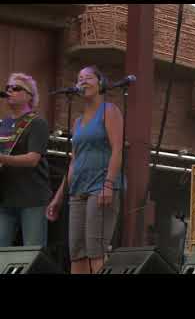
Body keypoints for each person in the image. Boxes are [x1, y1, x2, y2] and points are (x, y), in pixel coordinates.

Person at [46, 65, 124, 274]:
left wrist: (108, 183)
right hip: (77, 190)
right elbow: (74, 161)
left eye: (89, 77)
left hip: (100, 187)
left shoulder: (109, 110)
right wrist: (58, 197)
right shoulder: (77, 122)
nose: (83, 81)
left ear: (101, 84)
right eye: (80, 78)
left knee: (95, 251)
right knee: (77, 253)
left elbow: (117, 149)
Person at [0, 73, 51, 247]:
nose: (9, 91)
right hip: (5, 197)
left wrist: (2, 158)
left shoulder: (37, 123)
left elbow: (32, 159)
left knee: (32, 251)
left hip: (32, 198)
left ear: (30, 96)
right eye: (8, 88)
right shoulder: (2, 124)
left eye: (16, 88)